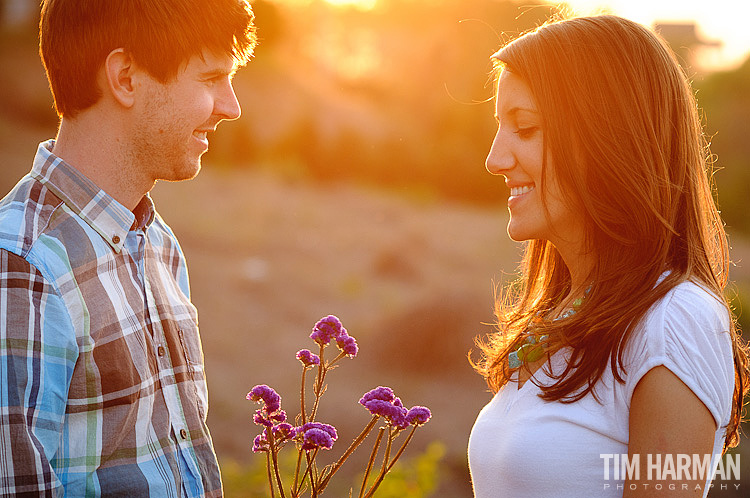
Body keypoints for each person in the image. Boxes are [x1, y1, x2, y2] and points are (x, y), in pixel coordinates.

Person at [468, 14, 749, 497]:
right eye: (500, 129)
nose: (495, 158)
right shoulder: (560, 315)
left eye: (526, 128)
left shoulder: (673, 320)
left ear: (605, 137)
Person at [0, 0, 256, 495]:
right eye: (209, 79)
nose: (232, 106)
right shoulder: (23, 266)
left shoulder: (157, 245)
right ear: (125, 77)